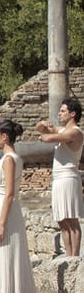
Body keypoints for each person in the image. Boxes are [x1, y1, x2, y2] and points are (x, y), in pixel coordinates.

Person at [0, 120, 43, 293]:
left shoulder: (10, 159)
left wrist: (1, 224)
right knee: (4, 260)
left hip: (7, 213)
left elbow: (10, 193)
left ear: (5, 137)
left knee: (11, 260)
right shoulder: (4, 158)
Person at [36, 98, 84, 257]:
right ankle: (68, 255)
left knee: (71, 218)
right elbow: (40, 129)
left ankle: (75, 257)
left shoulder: (75, 132)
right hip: (58, 178)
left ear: (73, 114)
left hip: (69, 177)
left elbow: (47, 138)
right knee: (62, 220)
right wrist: (44, 125)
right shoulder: (62, 130)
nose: (59, 113)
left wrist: (46, 133)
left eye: (63, 111)